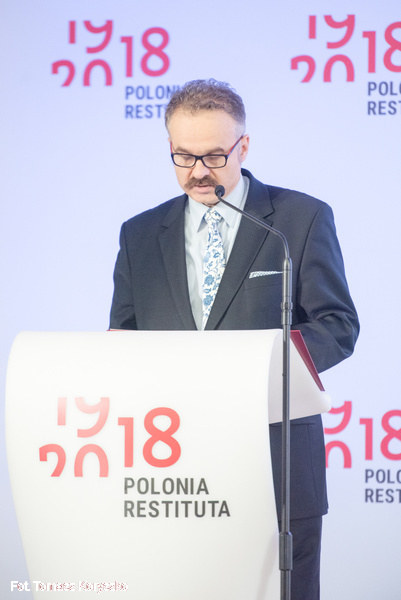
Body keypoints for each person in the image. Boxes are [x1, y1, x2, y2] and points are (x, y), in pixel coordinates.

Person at [109, 79, 359, 599]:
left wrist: (252, 371)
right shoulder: (139, 234)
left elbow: (337, 325)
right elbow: (124, 336)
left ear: (244, 147)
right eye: (183, 156)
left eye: (214, 156)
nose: (198, 171)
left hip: (277, 464)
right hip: (174, 467)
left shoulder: (298, 220)